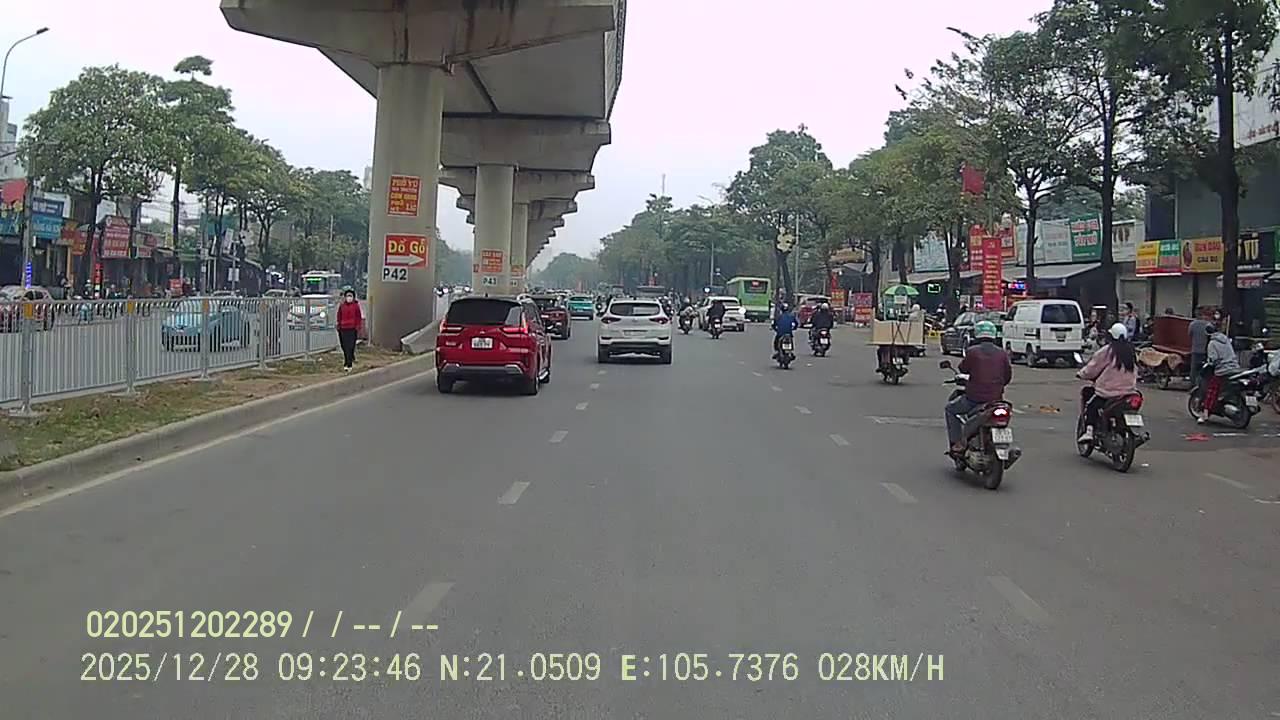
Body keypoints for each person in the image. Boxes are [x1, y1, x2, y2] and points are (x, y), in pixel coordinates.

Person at [945, 320, 1012, 455]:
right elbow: (1007, 376)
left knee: (950, 410)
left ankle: (957, 442)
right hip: (996, 399)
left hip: (974, 399)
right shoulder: (1002, 353)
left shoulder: (972, 351)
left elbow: (963, 368)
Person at [1076, 323, 1139, 442]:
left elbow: (1093, 367)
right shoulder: (1131, 352)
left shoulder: (1108, 351)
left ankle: (1089, 432)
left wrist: (1082, 374)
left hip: (1108, 392)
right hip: (1129, 392)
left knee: (1091, 405)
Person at [1198, 319, 1240, 423]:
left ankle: (1205, 414)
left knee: (1211, 391)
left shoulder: (1212, 343)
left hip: (1222, 370)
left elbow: (1213, 359)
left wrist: (1208, 363)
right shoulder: (1226, 340)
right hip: (1235, 368)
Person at [336, 289, 363, 372]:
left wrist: (358, 326)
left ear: (353, 297)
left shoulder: (356, 306)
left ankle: (348, 363)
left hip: (352, 328)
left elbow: (358, 317)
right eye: (347, 296)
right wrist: (339, 325)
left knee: (351, 346)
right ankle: (347, 360)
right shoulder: (342, 306)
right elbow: (339, 316)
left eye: (350, 296)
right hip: (343, 328)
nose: (349, 297)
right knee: (344, 346)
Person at [1187, 310, 1214, 391]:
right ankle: (1202, 385)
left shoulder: (1192, 324)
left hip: (1195, 349)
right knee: (1204, 369)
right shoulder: (1208, 325)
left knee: (1194, 368)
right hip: (1205, 350)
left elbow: (1189, 334)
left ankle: (1193, 385)